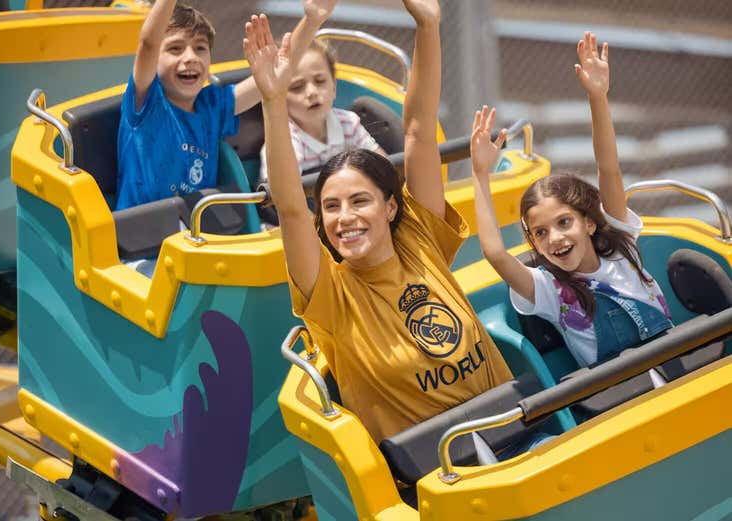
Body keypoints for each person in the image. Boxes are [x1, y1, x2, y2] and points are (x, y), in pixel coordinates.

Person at [245, 1, 513, 444]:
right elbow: (292, 207)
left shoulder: (419, 240)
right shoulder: (332, 296)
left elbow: (420, 130)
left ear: (391, 208)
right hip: (438, 469)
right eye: (330, 207)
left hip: (512, 427)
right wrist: (273, 102)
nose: (344, 218)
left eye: (359, 201)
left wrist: (428, 26)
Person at [469, 32, 672, 369]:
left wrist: (598, 97)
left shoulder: (623, 250)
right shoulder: (547, 290)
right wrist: (480, 174)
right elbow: (494, 253)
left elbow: (608, 168)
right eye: (540, 233)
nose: (555, 238)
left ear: (589, 222)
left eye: (563, 223)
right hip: (617, 395)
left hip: (675, 367)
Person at [115, 0, 339, 211]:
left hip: (198, 233)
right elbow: (148, 43)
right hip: (142, 242)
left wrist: (312, 21)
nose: (191, 57)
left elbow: (281, 69)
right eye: (175, 49)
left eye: (200, 48)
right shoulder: (146, 102)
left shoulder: (213, 107)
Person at [257, 38, 384, 184]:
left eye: (320, 81)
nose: (312, 92)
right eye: (297, 87)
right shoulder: (285, 141)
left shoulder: (348, 122)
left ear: (334, 87)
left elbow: (382, 165)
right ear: (278, 99)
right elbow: (282, 194)